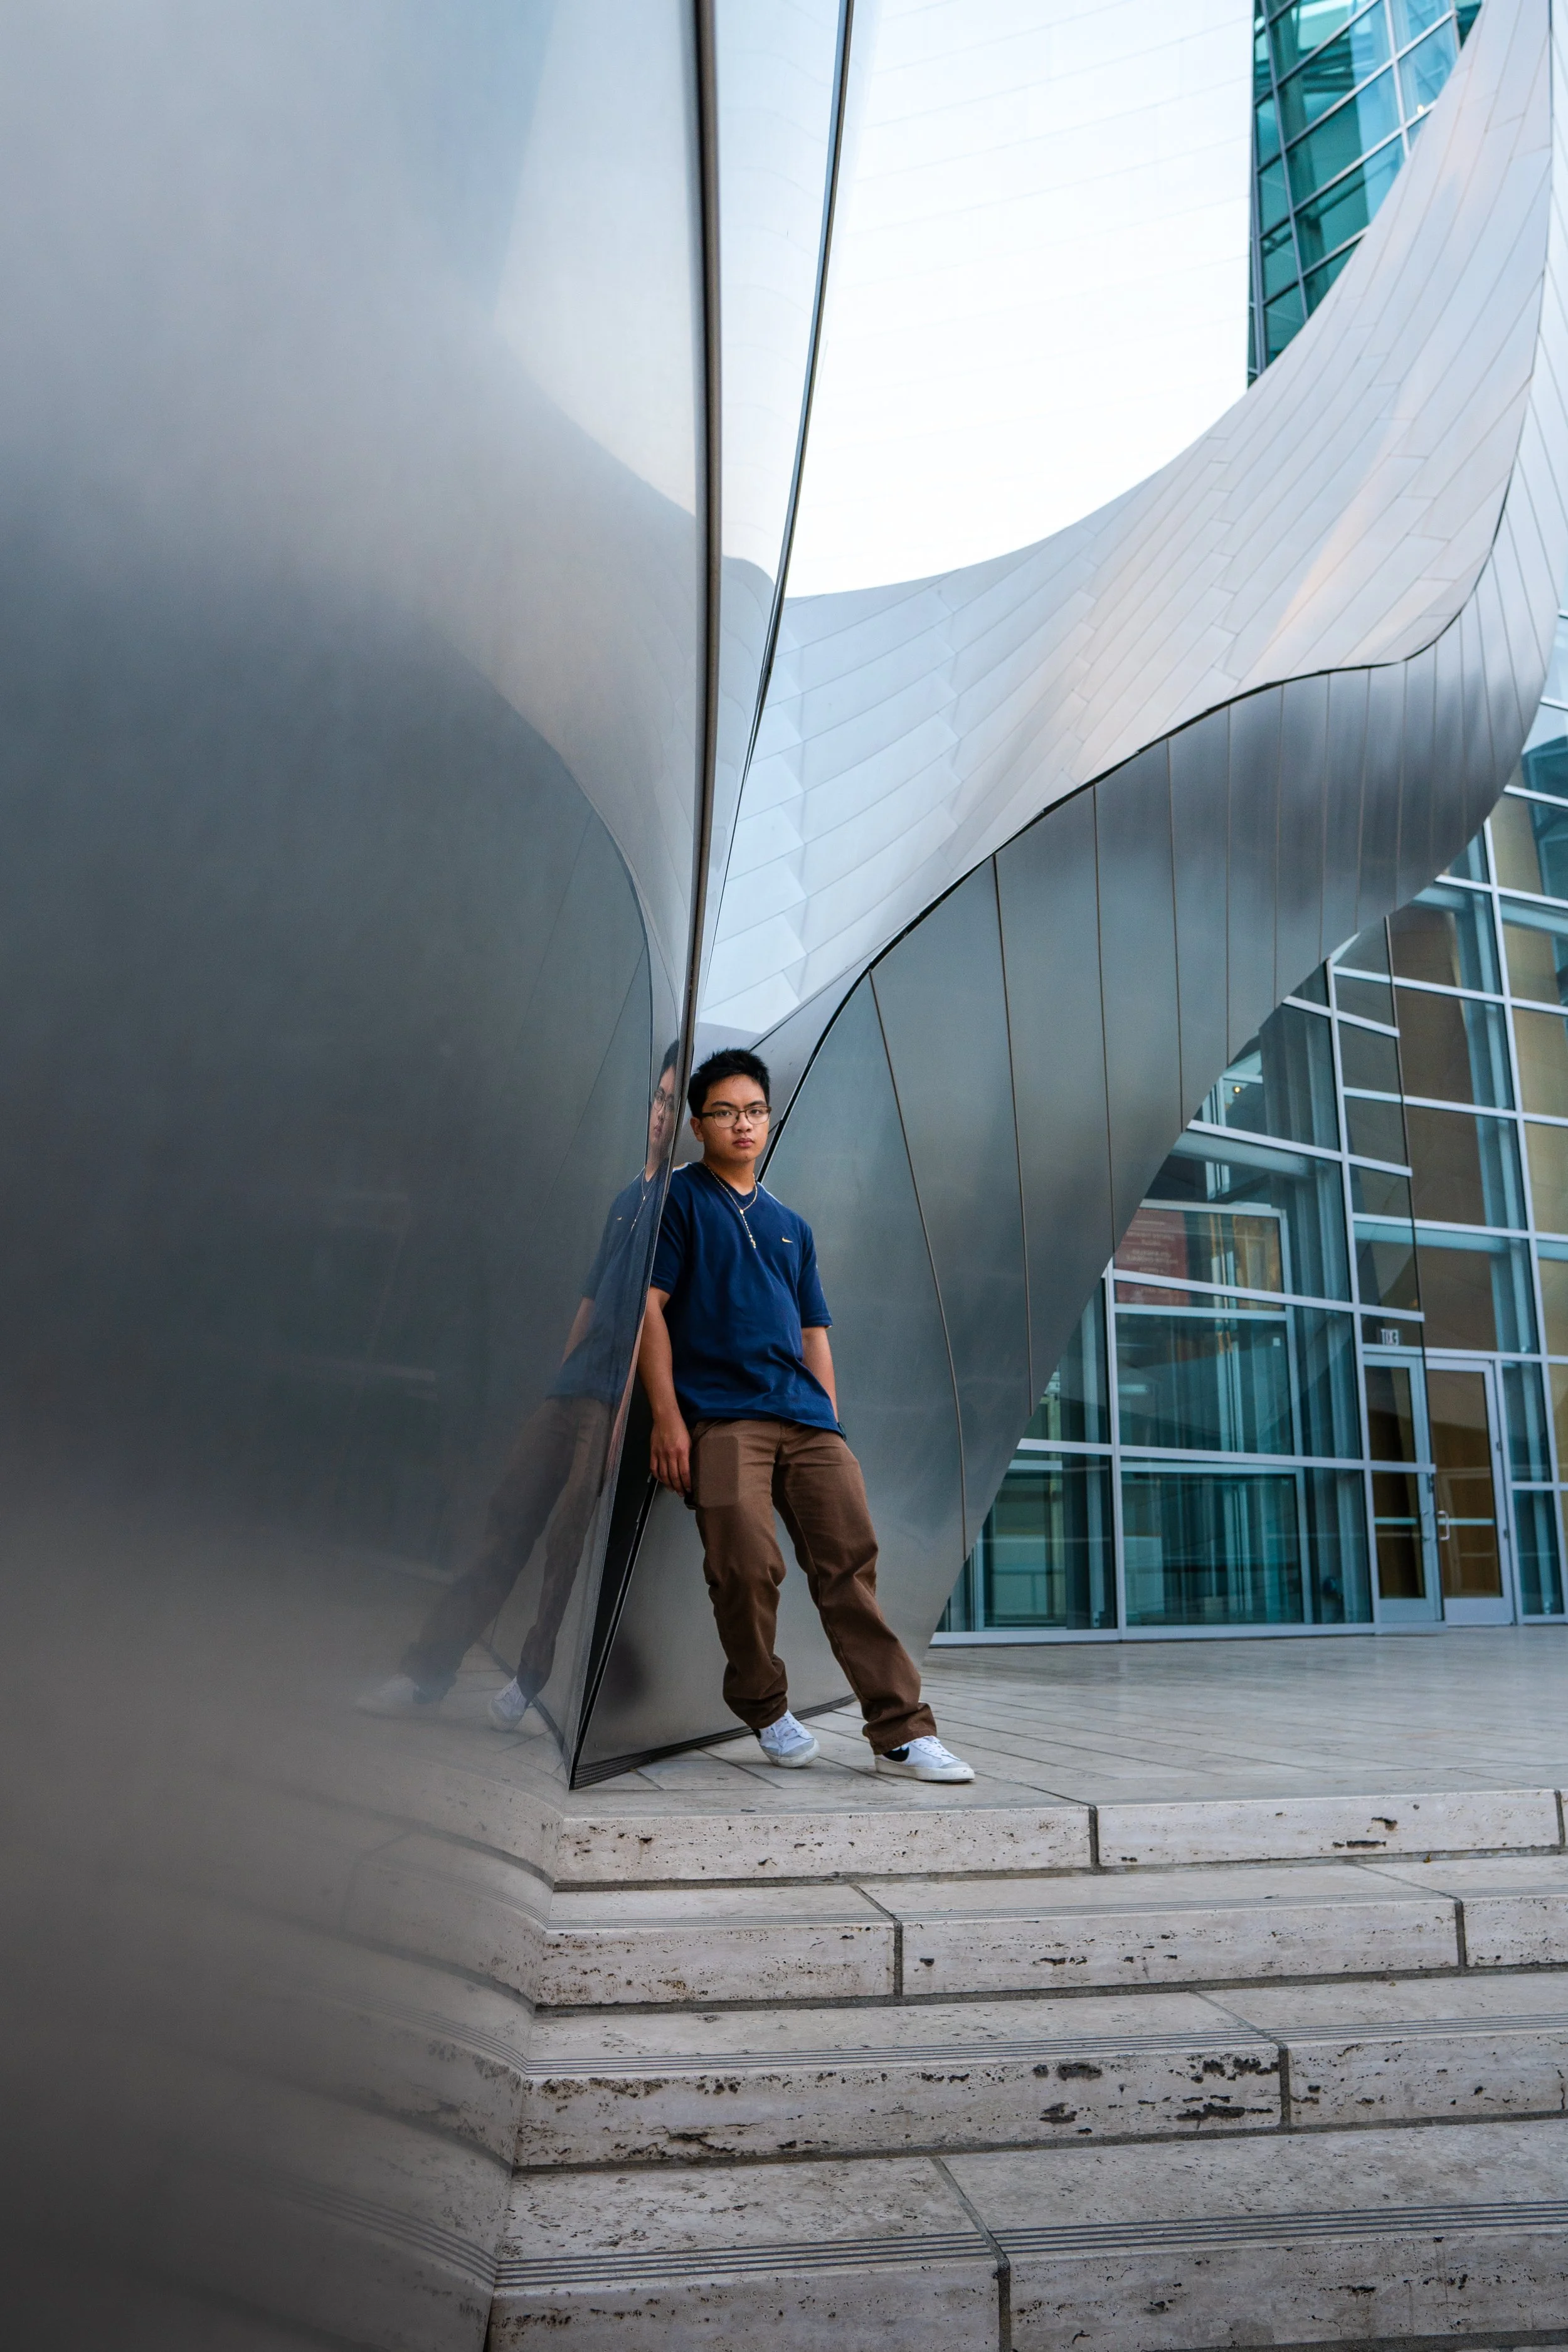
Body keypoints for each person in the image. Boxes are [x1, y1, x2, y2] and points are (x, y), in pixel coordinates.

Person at [640, 1049, 973, 1782]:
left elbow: (814, 1331)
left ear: (769, 1119)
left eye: (754, 1111)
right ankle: (762, 1706)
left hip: (806, 1421)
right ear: (699, 1125)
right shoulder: (678, 1201)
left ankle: (900, 1731)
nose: (742, 1124)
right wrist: (667, 1418)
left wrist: (827, 1419)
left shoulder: (794, 1224)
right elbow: (648, 1312)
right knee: (745, 1567)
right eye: (724, 1112)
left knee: (849, 1568)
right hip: (722, 1419)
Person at [360, 1049, 679, 1730]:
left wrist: (627, 1412)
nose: (660, 1114)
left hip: (614, 1405)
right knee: (506, 1523)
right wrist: (554, 1388)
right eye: (656, 1098)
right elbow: (590, 1300)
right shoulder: (627, 1197)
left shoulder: (681, 1205)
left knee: (567, 1546)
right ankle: (425, 1671)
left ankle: (531, 1684)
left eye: (674, 1104)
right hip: (570, 1392)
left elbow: (662, 1317)